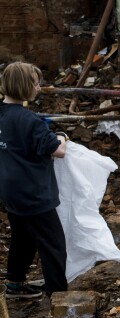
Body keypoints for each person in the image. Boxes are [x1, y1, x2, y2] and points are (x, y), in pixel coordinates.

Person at [0, 61, 68, 298]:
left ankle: (14, 284)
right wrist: (61, 136)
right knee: (54, 244)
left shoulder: (3, 114)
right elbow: (58, 151)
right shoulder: (29, 120)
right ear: (23, 86)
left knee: (23, 237)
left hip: (10, 191)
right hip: (34, 193)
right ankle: (58, 296)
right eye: (36, 84)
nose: (39, 88)